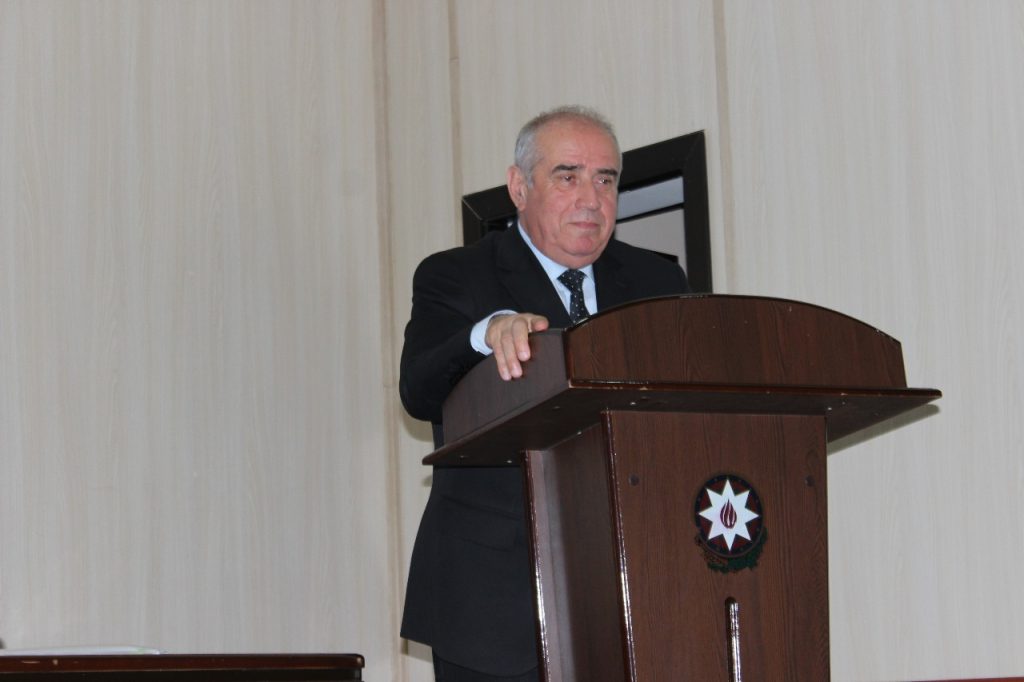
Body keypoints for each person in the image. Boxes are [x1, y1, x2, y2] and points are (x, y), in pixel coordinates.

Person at [399, 105, 690, 681]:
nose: (591, 199)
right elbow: (420, 390)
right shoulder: (456, 275)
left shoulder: (659, 281)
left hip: (629, 587)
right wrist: (483, 334)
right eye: (567, 176)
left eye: (605, 180)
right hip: (494, 600)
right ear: (518, 187)